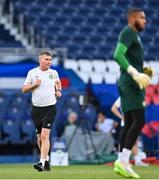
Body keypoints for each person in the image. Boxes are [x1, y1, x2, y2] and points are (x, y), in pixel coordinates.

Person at [113, 8, 150, 178]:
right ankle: (124, 161)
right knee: (139, 120)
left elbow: (129, 58)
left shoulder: (135, 36)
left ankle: (121, 161)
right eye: (142, 17)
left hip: (129, 83)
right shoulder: (128, 32)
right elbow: (118, 55)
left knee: (128, 122)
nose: (145, 20)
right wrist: (134, 73)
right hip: (130, 83)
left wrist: (143, 71)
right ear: (133, 18)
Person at [22, 51, 62, 172]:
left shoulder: (53, 73)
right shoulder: (32, 73)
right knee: (39, 138)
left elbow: (58, 82)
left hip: (49, 108)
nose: (49, 62)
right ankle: (46, 160)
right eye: (46, 59)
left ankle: (41, 162)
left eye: (50, 59)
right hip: (36, 109)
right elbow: (24, 89)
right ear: (40, 60)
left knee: (45, 136)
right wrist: (35, 84)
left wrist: (59, 91)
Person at [111, 97, 149, 166]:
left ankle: (136, 160)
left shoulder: (135, 96)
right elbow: (113, 108)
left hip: (133, 122)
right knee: (124, 141)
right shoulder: (122, 97)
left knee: (134, 141)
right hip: (126, 123)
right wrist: (121, 117)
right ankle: (121, 159)